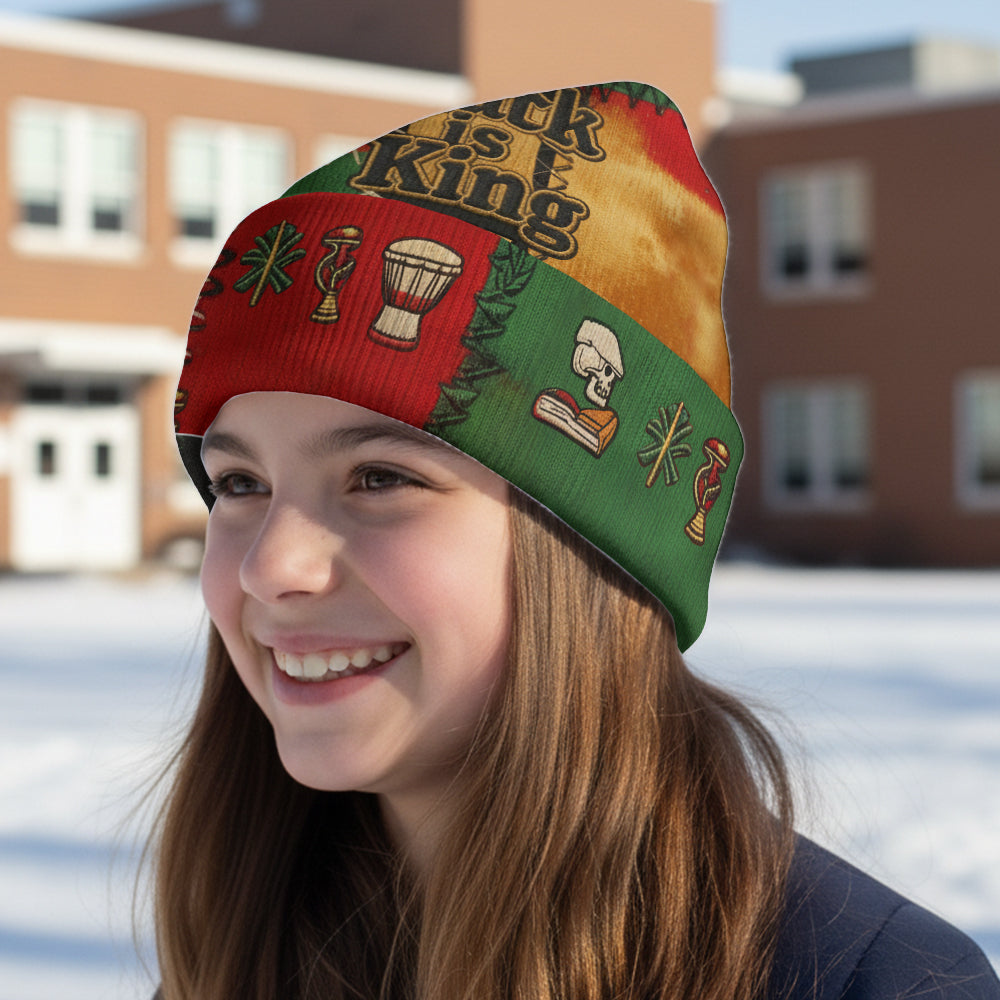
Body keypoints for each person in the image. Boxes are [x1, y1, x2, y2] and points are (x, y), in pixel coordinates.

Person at [155, 82, 999, 1000]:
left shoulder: (877, 984)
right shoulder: (243, 949)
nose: (272, 565)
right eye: (239, 483)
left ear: (594, 547)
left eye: (382, 478)